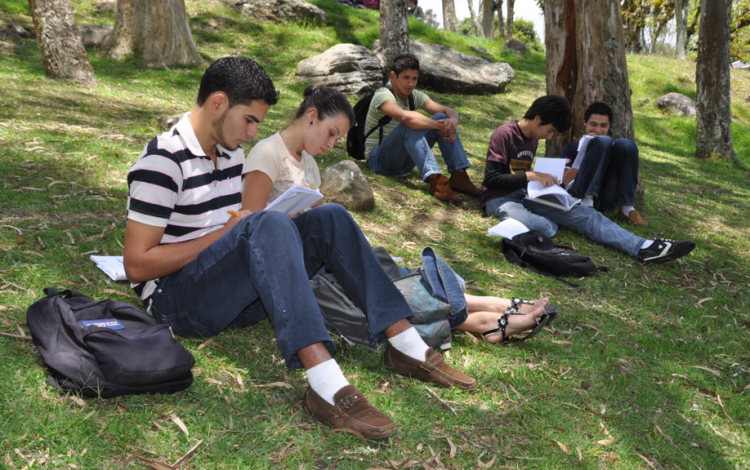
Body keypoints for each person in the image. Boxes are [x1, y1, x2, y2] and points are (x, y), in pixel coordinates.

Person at [123, 57, 477, 441]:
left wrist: (256, 229)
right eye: (250, 120)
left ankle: (405, 344)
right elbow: (138, 266)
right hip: (178, 303)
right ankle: (327, 386)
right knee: (266, 222)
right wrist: (230, 233)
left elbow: (237, 235)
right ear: (218, 103)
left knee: (330, 217)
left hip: (234, 294)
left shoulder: (229, 153)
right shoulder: (162, 160)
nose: (253, 132)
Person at [243, 85, 552, 344]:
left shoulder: (308, 163)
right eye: (331, 134)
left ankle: (481, 306)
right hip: (296, 266)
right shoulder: (269, 153)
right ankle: (482, 320)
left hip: (319, 256)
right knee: (367, 290)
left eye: (336, 138)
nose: (331, 144)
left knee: (386, 269)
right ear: (312, 117)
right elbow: (252, 228)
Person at [480, 95, 696, 264]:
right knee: (546, 228)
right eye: (550, 130)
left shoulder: (532, 139)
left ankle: (644, 247)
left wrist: (545, 184)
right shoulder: (504, 134)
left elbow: (520, 178)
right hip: (499, 199)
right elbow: (493, 180)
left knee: (585, 214)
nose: (549, 137)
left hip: (525, 195)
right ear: (537, 119)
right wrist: (532, 175)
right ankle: (554, 222)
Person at [365, 53, 481, 203]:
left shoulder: (414, 96)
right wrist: (439, 127)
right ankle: (435, 180)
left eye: (414, 78)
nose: (411, 83)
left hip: (405, 164)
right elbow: (406, 118)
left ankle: (459, 175)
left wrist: (451, 123)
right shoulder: (383, 95)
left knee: (440, 116)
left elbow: (448, 111)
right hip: (379, 161)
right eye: (406, 78)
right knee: (410, 124)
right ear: (393, 75)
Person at [561, 101, 647, 227]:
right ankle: (587, 202)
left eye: (603, 126)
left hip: (606, 197)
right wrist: (584, 152)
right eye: (593, 124)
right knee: (602, 142)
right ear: (585, 122)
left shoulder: (613, 148)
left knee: (626, 144)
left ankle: (627, 208)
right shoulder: (571, 148)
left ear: (609, 126)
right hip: (580, 194)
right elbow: (565, 182)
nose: (598, 130)